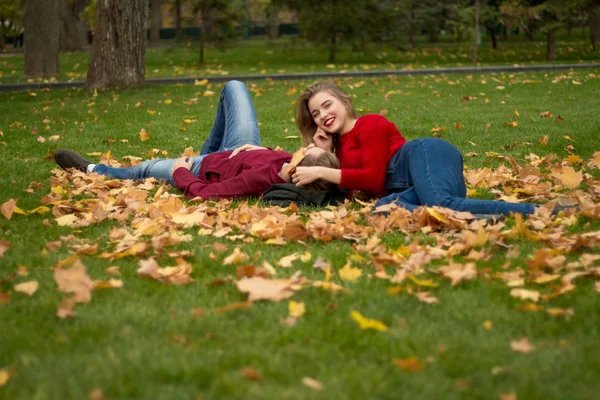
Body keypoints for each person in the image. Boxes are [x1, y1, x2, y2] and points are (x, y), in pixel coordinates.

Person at [291, 81, 571, 216]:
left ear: (344, 101)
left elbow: (374, 178)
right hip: (413, 186)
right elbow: (357, 192)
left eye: (327, 105)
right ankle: (481, 219)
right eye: (315, 114)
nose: (322, 115)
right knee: (384, 208)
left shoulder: (370, 124)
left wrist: (320, 171)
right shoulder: (339, 150)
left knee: (441, 204)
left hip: (425, 155)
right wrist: (328, 155)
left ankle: (540, 211)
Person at [54, 80, 339, 200]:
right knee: (234, 87)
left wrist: (181, 170)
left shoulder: (259, 180)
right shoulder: (288, 163)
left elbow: (206, 194)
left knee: (143, 170)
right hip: (241, 147)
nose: (299, 150)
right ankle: (210, 150)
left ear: (297, 174)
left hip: (199, 168)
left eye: (301, 155)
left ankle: (92, 169)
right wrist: (260, 149)